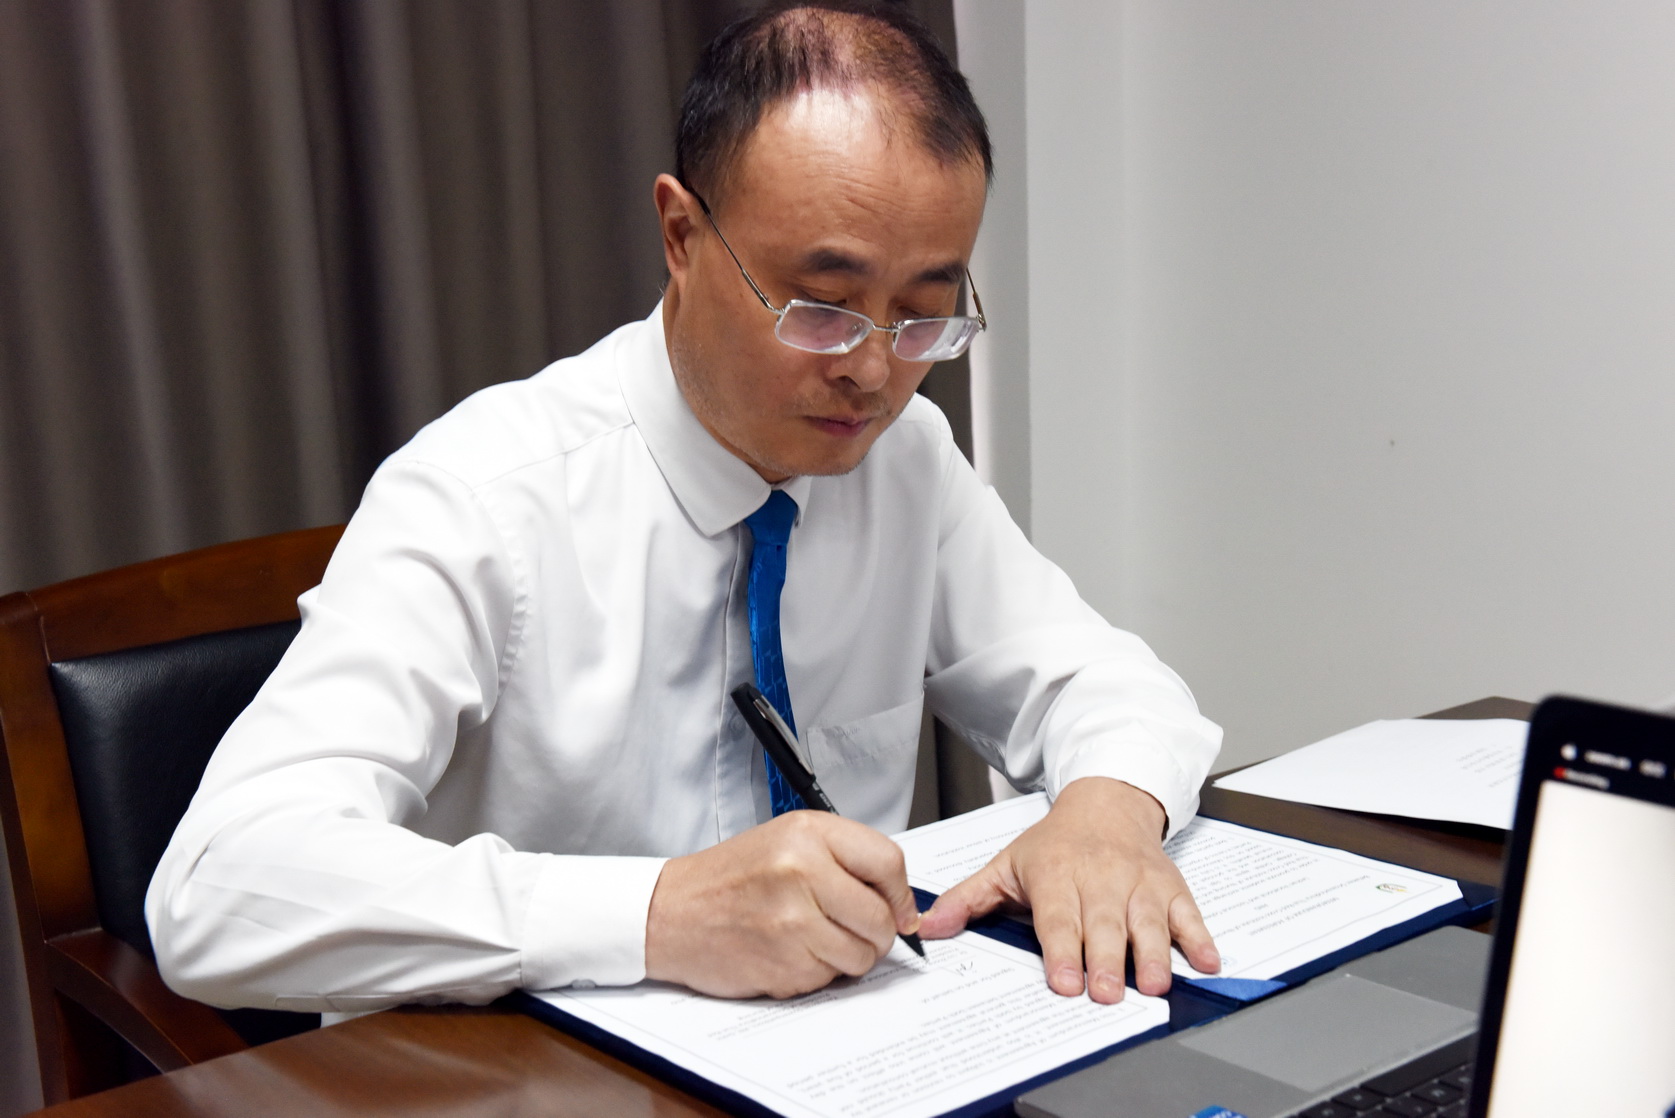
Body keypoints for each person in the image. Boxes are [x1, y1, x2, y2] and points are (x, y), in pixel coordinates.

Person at [147, 0, 1223, 1017]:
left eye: (922, 316)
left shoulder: (904, 463)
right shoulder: (482, 500)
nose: (873, 371)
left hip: (840, 1052)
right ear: (680, 232)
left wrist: (1105, 811)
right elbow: (217, 886)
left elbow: (1108, 684)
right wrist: (658, 914)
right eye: (822, 306)